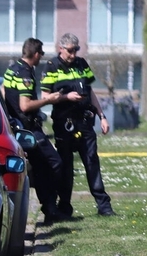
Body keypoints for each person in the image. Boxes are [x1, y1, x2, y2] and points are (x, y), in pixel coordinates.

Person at [40, 33, 116, 217]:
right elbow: (45, 97)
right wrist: (66, 97)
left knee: (92, 162)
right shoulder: (51, 66)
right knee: (66, 167)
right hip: (64, 123)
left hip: (84, 122)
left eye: (76, 50)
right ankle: (64, 206)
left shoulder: (81, 64)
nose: (73, 54)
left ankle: (104, 206)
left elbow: (90, 92)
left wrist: (102, 116)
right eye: (70, 51)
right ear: (61, 49)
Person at [2, 37, 65, 225]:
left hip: (17, 127)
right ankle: (50, 206)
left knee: (40, 167)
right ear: (36, 54)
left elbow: (3, 92)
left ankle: (50, 210)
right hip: (29, 130)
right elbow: (25, 105)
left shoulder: (12, 68)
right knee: (55, 163)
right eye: (41, 54)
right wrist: (48, 100)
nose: (41, 57)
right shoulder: (25, 73)